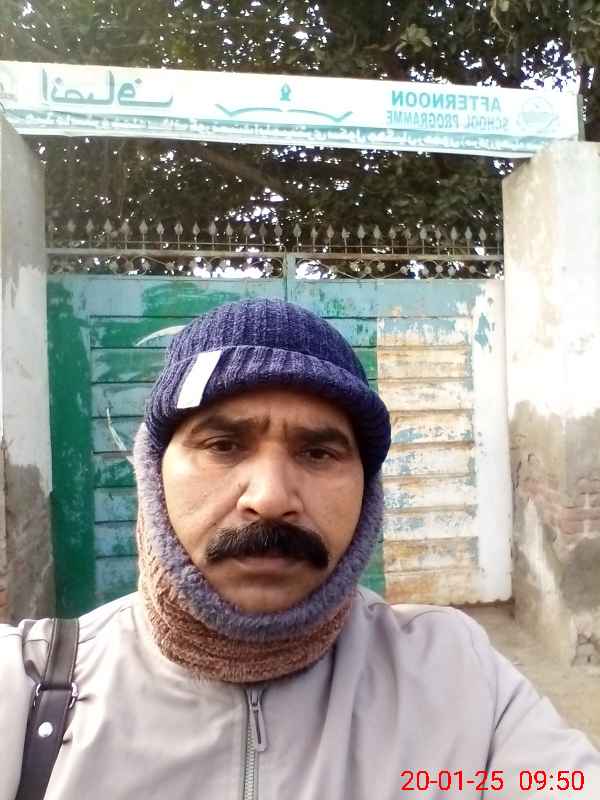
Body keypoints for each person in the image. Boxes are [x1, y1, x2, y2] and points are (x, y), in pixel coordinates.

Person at [1, 297, 599, 800]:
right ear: (153, 475)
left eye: (318, 453)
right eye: (223, 445)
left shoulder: (458, 676)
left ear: (367, 492)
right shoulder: (27, 690)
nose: (270, 498)